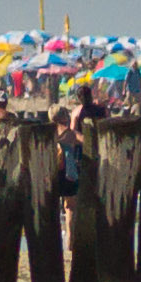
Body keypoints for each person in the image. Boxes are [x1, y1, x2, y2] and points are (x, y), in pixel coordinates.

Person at [50, 105, 82, 249]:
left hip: (52, 172)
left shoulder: (48, 132)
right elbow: (87, 142)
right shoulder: (70, 134)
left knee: (51, 207)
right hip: (68, 174)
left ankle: (52, 243)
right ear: (65, 117)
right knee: (70, 208)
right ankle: (70, 242)